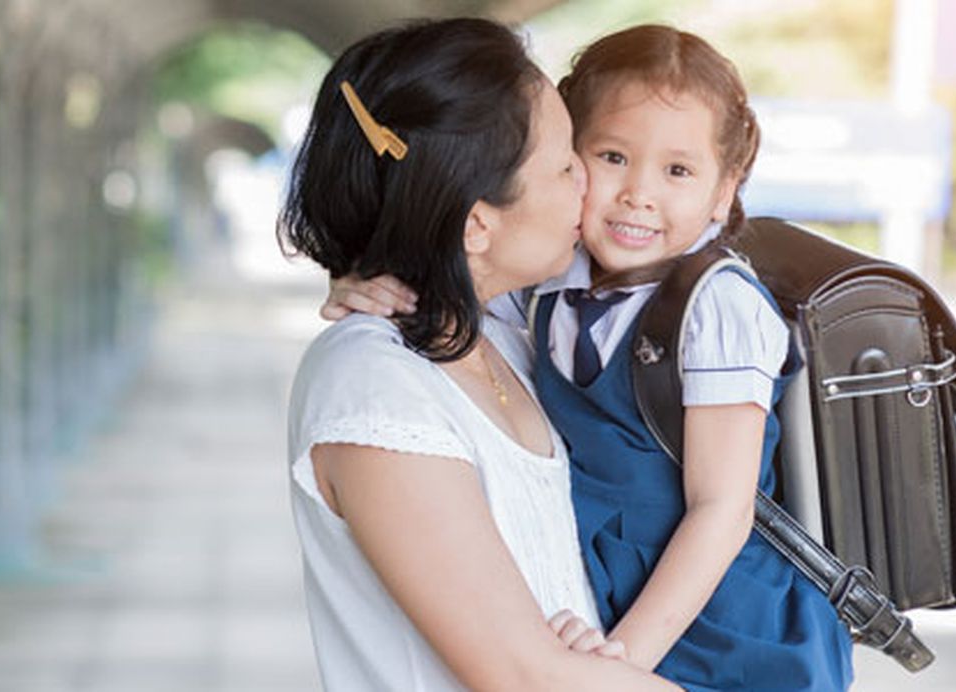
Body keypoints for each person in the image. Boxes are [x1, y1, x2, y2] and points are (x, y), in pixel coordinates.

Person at [325, 24, 855, 690]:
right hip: (613, 609)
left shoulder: (718, 308)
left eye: (678, 171)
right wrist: (359, 282)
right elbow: (459, 278)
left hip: (722, 624)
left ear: (725, 191)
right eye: (610, 157)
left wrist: (625, 654)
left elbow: (722, 507)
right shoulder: (551, 283)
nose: (639, 192)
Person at [281, 17, 674, 692]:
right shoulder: (375, 386)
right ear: (476, 224)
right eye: (563, 165)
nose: (588, 178)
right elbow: (524, 676)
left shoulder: (503, 335)